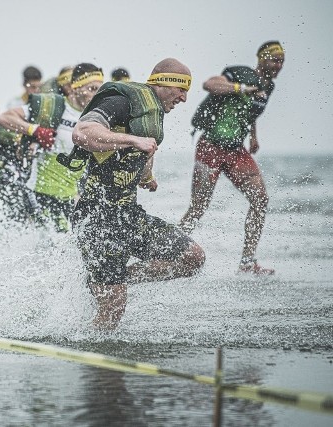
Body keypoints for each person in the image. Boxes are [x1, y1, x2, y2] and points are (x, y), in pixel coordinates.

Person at [70, 58, 205, 329]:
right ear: (166, 82)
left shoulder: (152, 112)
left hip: (128, 214)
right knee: (113, 311)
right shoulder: (123, 101)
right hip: (97, 218)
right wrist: (133, 140)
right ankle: (90, 360)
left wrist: (147, 176)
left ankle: (111, 278)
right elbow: (82, 133)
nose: (184, 98)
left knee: (191, 257)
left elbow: (145, 149)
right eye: (181, 89)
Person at [179, 41, 285, 275]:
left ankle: (247, 263)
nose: (278, 65)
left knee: (260, 200)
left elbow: (250, 111)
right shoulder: (241, 73)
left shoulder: (269, 86)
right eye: (274, 60)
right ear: (261, 59)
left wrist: (253, 136)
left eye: (281, 61)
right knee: (198, 207)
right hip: (211, 146)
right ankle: (169, 250)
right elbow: (210, 84)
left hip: (236, 149)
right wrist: (242, 89)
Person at [0, 63, 105, 231]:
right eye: (91, 89)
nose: (96, 95)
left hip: (69, 194)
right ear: (75, 87)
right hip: (39, 192)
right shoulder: (51, 105)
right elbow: (4, 118)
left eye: (100, 90)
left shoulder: (96, 116)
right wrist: (35, 130)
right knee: (56, 242)